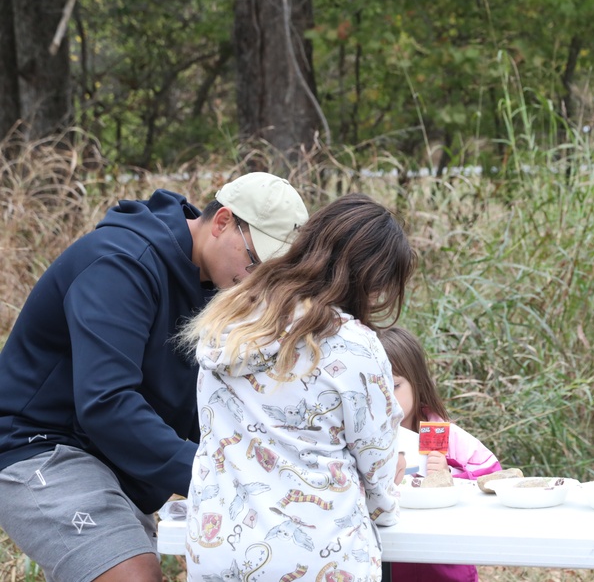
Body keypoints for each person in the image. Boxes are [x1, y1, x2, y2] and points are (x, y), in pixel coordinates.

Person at [0, 172, 308, 582]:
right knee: (133, 574)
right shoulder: (121, 263)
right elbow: (106, 403)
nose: (258, 284)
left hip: (116, 460)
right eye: (256, 263)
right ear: (222, 222)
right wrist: (216, 477)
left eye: (273, 276)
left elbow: (228, 401)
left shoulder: (221, 282)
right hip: (39, 446)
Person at [182, 192, 414, 581]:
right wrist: (389, 503)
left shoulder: (226, 318)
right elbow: (376, 470)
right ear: (372, 279)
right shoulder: (352, 344)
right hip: (319, 557)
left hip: (220, 548)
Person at [380, 326, 501, 582]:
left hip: (442, 568)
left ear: (417, 382)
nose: (386, 399)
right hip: (386, 565)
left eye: (396, 385)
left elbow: (493, 476)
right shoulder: (363, 438)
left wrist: (450, 476)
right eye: (376, 388)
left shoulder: (442, 434)